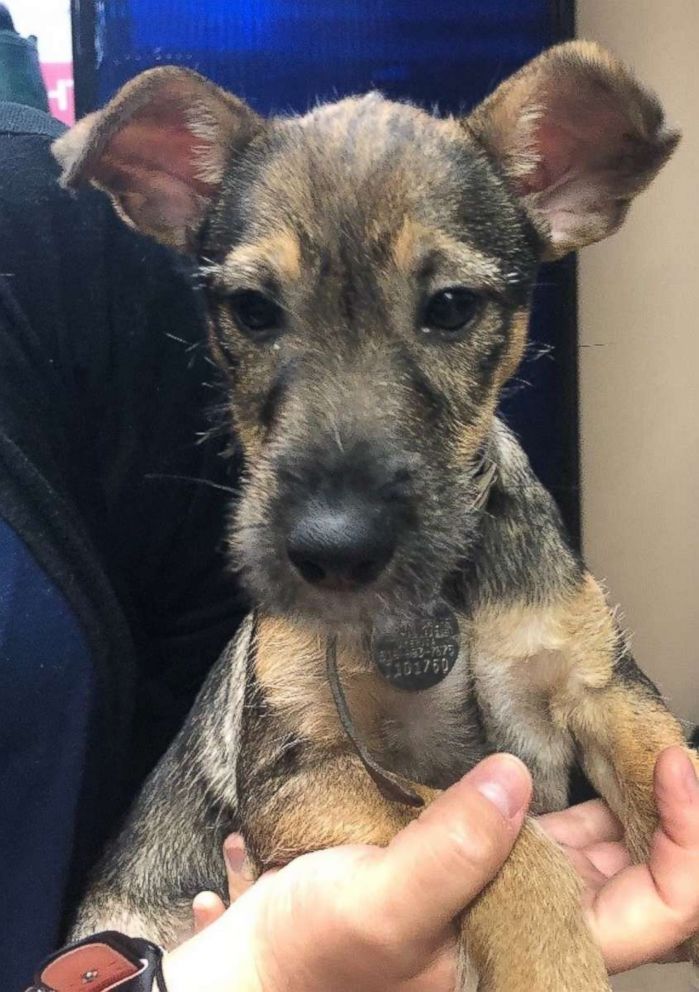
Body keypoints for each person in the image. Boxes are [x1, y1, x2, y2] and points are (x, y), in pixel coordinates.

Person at [1, 99, 698, 992]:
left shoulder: (537, 564)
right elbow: (294, 798)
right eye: (257, 311)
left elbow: (608, 702)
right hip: (158, 938)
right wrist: (517, 891)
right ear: (163, 192)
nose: (335, 531)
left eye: (446, 308)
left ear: (562, 187)